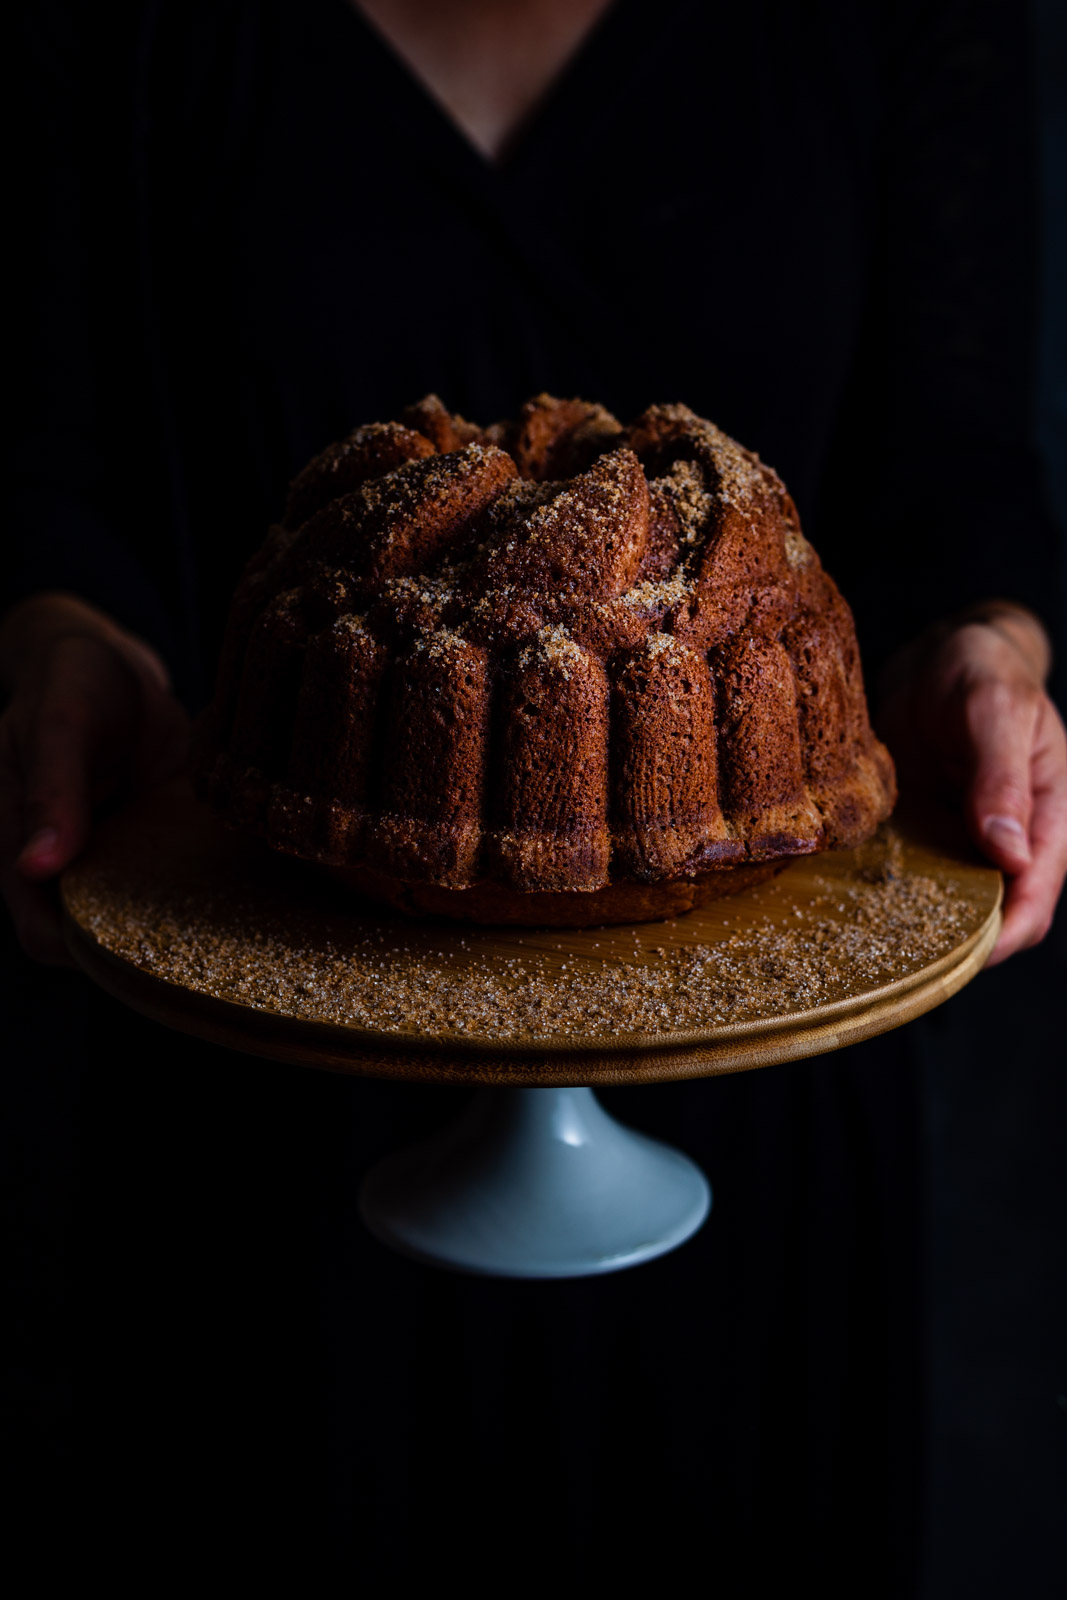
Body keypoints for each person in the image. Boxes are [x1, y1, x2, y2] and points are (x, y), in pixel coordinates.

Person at [4, 1, 1065, 1591]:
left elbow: (966, 462)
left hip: (752, 1077)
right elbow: (43, 448)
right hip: (254, 1097)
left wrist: (983, 642)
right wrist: (63, 639)